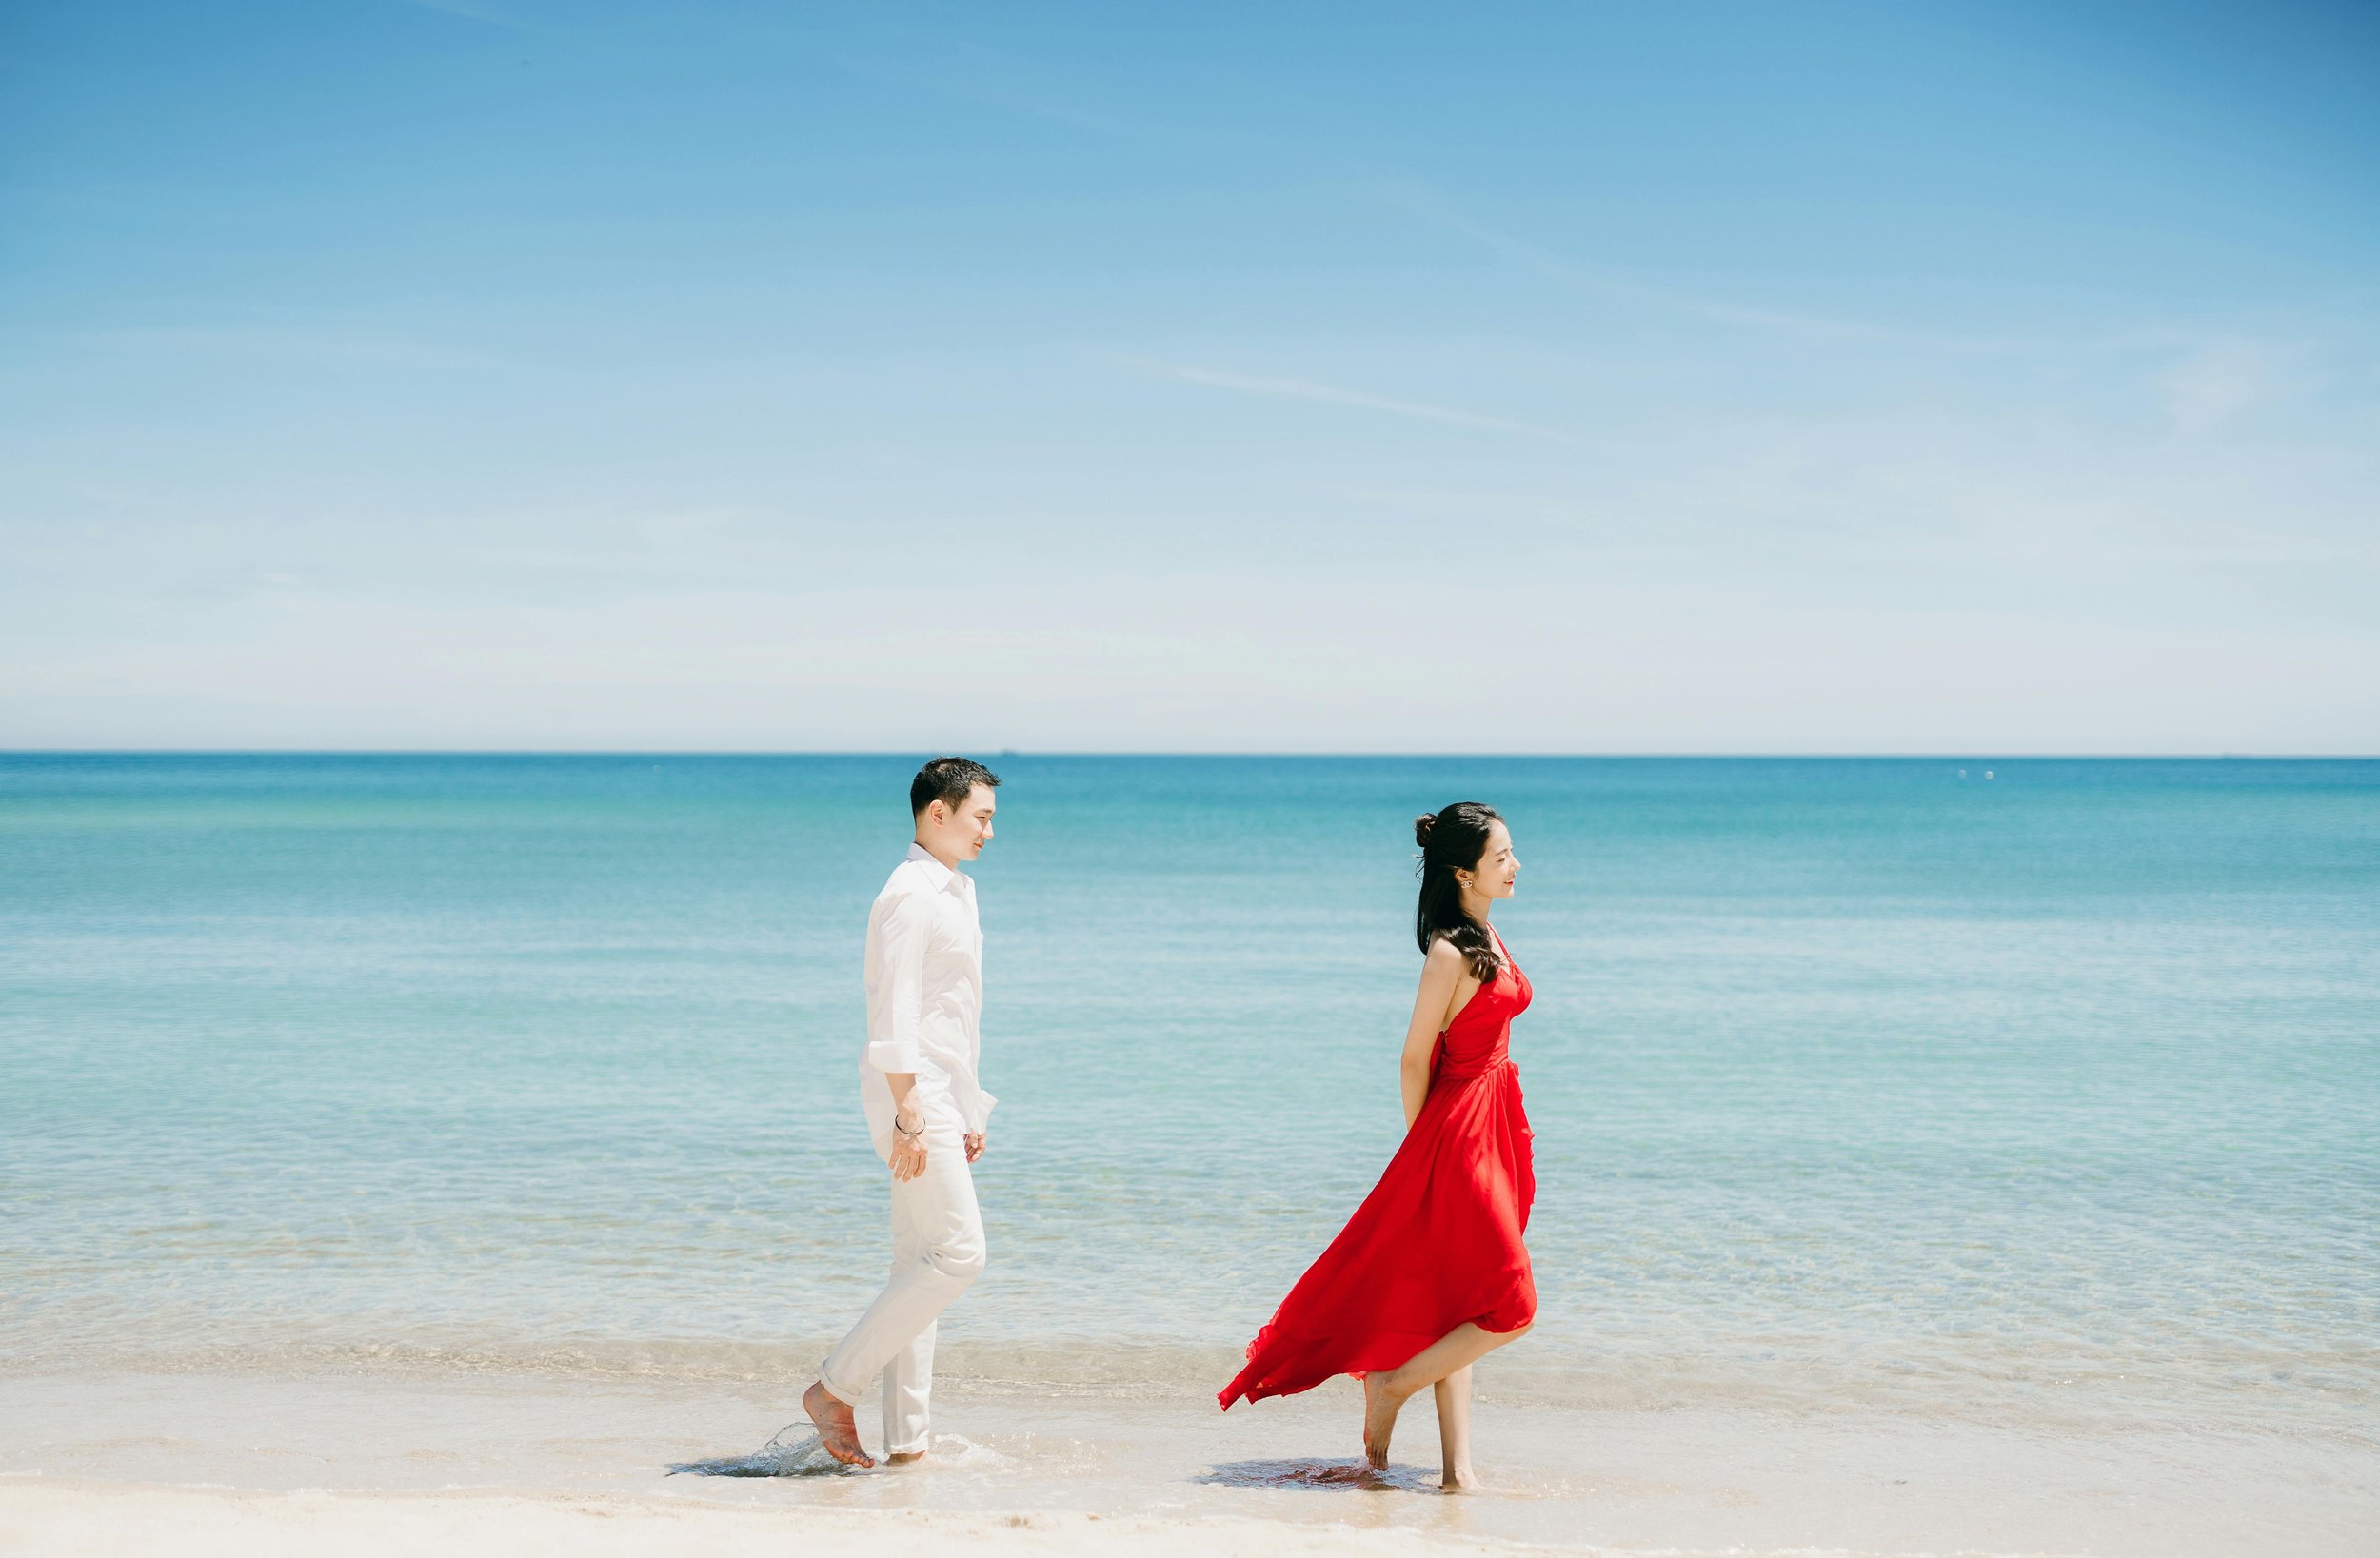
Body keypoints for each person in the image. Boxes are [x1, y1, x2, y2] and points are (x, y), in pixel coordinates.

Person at [1218, 801, 1535, 1491]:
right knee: (1513, 1305)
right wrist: (1427, 1152)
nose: (1516, 865)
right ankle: (1391, 1384)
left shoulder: (1490, 934)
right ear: (1464, 871)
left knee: (1469, 1297)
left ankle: (1458, 1471)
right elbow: (1413, 1057)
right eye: (1502, 855)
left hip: (1495, 1120)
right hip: (1458, 1133)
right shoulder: (1450, 953)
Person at [802, 757, 1002, 1469]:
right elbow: (893, 1010)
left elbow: (953, 1011)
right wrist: (911, 1110)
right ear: (937, 813)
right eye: (979, 816)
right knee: (959, 1253)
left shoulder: (959, 892)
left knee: (918, 1261)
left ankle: (908, 1443)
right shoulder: (909, 894)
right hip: (910, 1095)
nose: (988, 831)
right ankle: (834, 1389)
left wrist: (970, 1103)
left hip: (940, 1092)